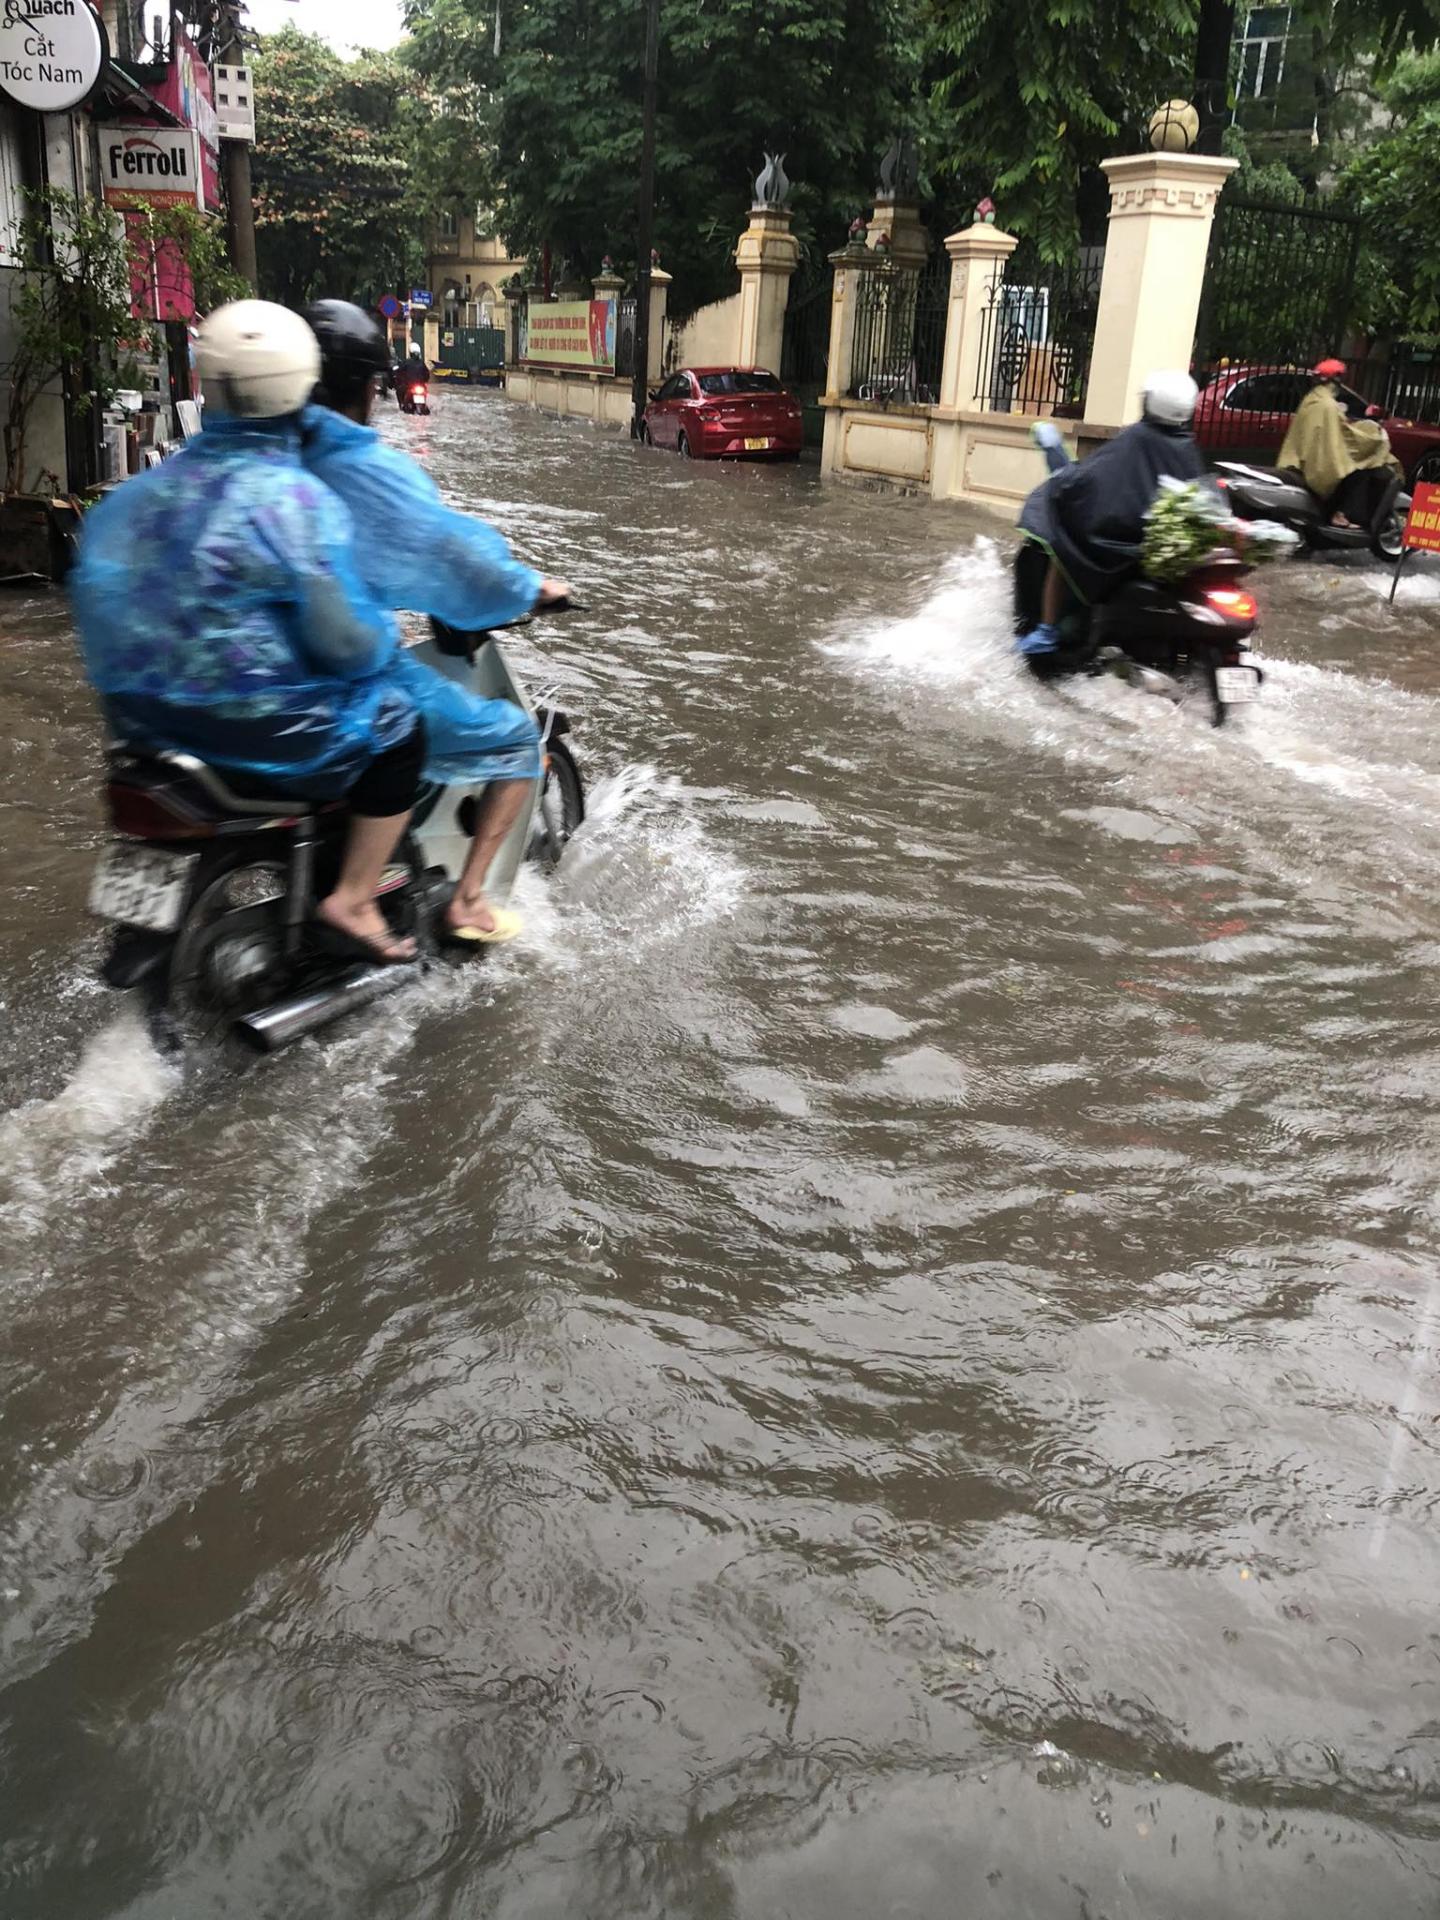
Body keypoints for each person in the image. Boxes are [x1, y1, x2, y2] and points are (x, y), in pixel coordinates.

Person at [71, 300, 423, 967]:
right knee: (401, 726)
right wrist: (383, 637)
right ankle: (352, 898)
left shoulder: (130, 497)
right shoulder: (294, 500)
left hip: (143, 733)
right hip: (252, 736)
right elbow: (345, 643)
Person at [301, 298, 573, 941]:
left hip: (265, 679)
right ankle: (468, 902)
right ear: (373, 388)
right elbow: (448, 556)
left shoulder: (257, 456)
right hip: (343, 682)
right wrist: (528, 588)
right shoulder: (367, 471)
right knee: (512, 742)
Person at [1016, 370, 1208, 660]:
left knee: (1062, 552)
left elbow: (1084, 484)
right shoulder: (1187, 446)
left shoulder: (1136, 438)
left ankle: (1047, 630)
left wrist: (1057, 459)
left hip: (1120, 547)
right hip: (1157, 553)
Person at [1278, 359, 1401, 530]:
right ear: (1335, 380)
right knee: (1358, 469)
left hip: (1299, 460)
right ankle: (1340, 514)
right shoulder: (1328, 405)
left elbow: (1336, 430)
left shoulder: (1311, 400)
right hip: (1317, 465)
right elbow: (1344, 435)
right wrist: (1369, 437)